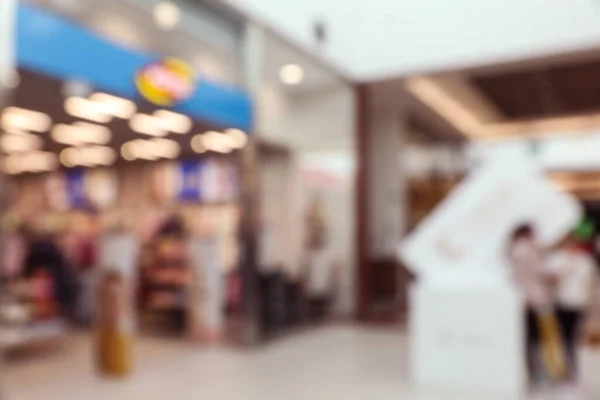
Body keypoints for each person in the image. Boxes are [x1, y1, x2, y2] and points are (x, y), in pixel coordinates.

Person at [546, 233, 598, 383]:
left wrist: (591, 303)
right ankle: (562, 367)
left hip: (578, 302)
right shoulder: (556, 259)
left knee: (574, 335)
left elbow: (590, 283)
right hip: (560, 301)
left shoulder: (584, 261)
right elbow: (550, 278)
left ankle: (573, 366)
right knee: (562, 335)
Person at [507, 223, 552, 382]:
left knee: (527, 337)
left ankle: (531, 371)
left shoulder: (513, 249)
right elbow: (540, 272)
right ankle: (538, 372)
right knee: (537, 337)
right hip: (534, 298)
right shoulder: (528, 250)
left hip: (521, 297)